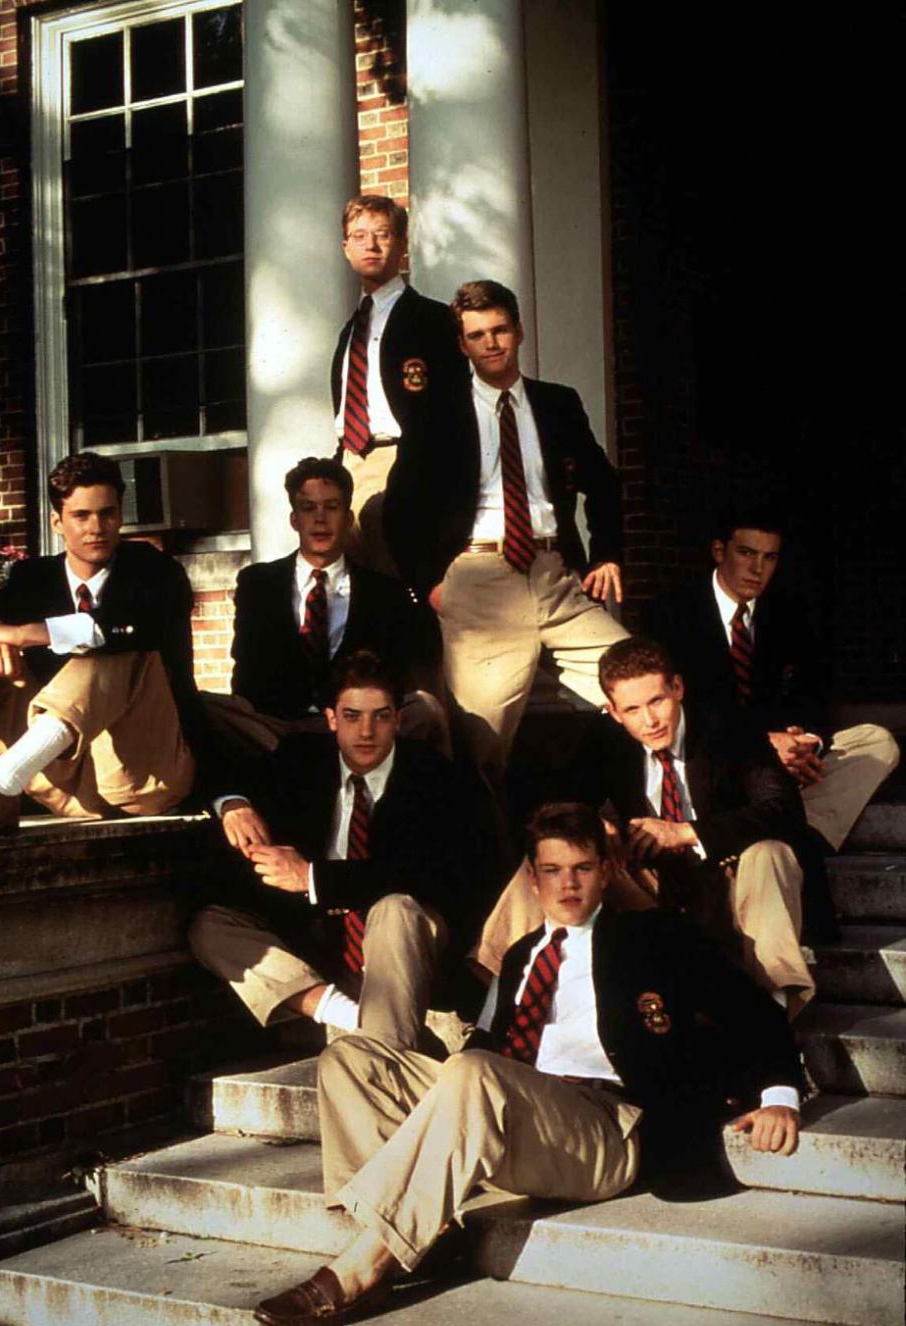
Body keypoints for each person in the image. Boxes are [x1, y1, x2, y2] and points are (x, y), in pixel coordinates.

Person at [253, 802, 802, 1326]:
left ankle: (364, 1266)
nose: (568, 885)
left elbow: (752, 1011)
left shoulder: (655, 937)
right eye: (553, 871)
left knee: (473, 1070)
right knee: (351, 1060)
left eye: (583, 868)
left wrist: (779, 1094)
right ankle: (422, 1232)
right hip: (521, 1118)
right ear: (533, 881)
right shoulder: (519, 957)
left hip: (606, 1130)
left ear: (606, 873)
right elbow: (492, 1048)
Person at [477, 638, 822, 1017]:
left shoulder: (728, 729)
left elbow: (783, 810)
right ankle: (493, 1007)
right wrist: (593, 825)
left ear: (677, 688)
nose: (650, 721)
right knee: (553, 857)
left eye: (657, 701)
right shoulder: (607, 738)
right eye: (632, 709)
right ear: (613, 711)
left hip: (732, 881)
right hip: (655, 889)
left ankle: (773, 1008)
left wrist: (686, 832)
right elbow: (554, 805)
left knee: (770, 853)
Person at [384, 278, 629, 784]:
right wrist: (431, 582)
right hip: (477, 579)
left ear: (518, 332)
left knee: (638, 683)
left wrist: (606, 554)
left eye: (499, 330)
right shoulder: (435, 412)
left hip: (554, 575)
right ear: (461, 344)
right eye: (476, 335)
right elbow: (400, 510)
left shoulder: (558, 403)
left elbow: (603, 482)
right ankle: (490, 857)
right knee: (482, 742)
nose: (490, 343)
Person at [191, 650, 472, 1048]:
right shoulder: (301, 758)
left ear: (398, 719)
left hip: (397, 938)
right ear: (331, 719)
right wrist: (234, 804)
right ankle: (350, 1016)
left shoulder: (434, 775)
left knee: (396, 907)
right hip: (317, 934)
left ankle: (385, 1046)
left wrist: (310, 877)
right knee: (211, 927)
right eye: (352, 716)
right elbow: (224, 772)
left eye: (381, 715)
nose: (366, 732)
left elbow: (424, 873)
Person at [0, 452, 197, 834]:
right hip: (61, 781)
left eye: (107, 514)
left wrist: (23, 633)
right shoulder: (34, 577)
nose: (96, 527)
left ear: (120, 517)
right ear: (57, 522)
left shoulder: (154, 569)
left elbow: (130, 626)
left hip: (142, 774)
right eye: (81, 516)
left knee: (114, 646)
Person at [643, 507, 900, 855]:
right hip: (712, 766)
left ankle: (797, 836)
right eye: (746, 553)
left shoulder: (789, 614)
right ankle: (780, 834)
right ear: (720, 551)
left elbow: (813, 695)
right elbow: (681, 712)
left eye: (769, 557)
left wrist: (805, 741)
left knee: (877, 742)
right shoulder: (672, 613)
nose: (757, 569)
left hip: (780, 771)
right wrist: (761, 743)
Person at [218, 457, 445, 753]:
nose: (320, 519)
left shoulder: (383, 591)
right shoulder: (258, 583)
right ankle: (234, 797)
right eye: (308, 508)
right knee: (208, 708)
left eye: (332, 507)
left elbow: (393, 675)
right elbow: (245, 673)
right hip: (277, 728)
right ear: (294, 520)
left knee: (425, 710)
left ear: (348, 519)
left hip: (357, 727)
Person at [332, 195, 467, 577]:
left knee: (398, 583)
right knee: (353, 591)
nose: (370, 245)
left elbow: (450, 411)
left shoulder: (432, 319)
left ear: (402, 245)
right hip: (350, 465)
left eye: (382, 235)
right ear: (346, 248)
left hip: (402, 462)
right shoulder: (350, 331)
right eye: (359, 236)